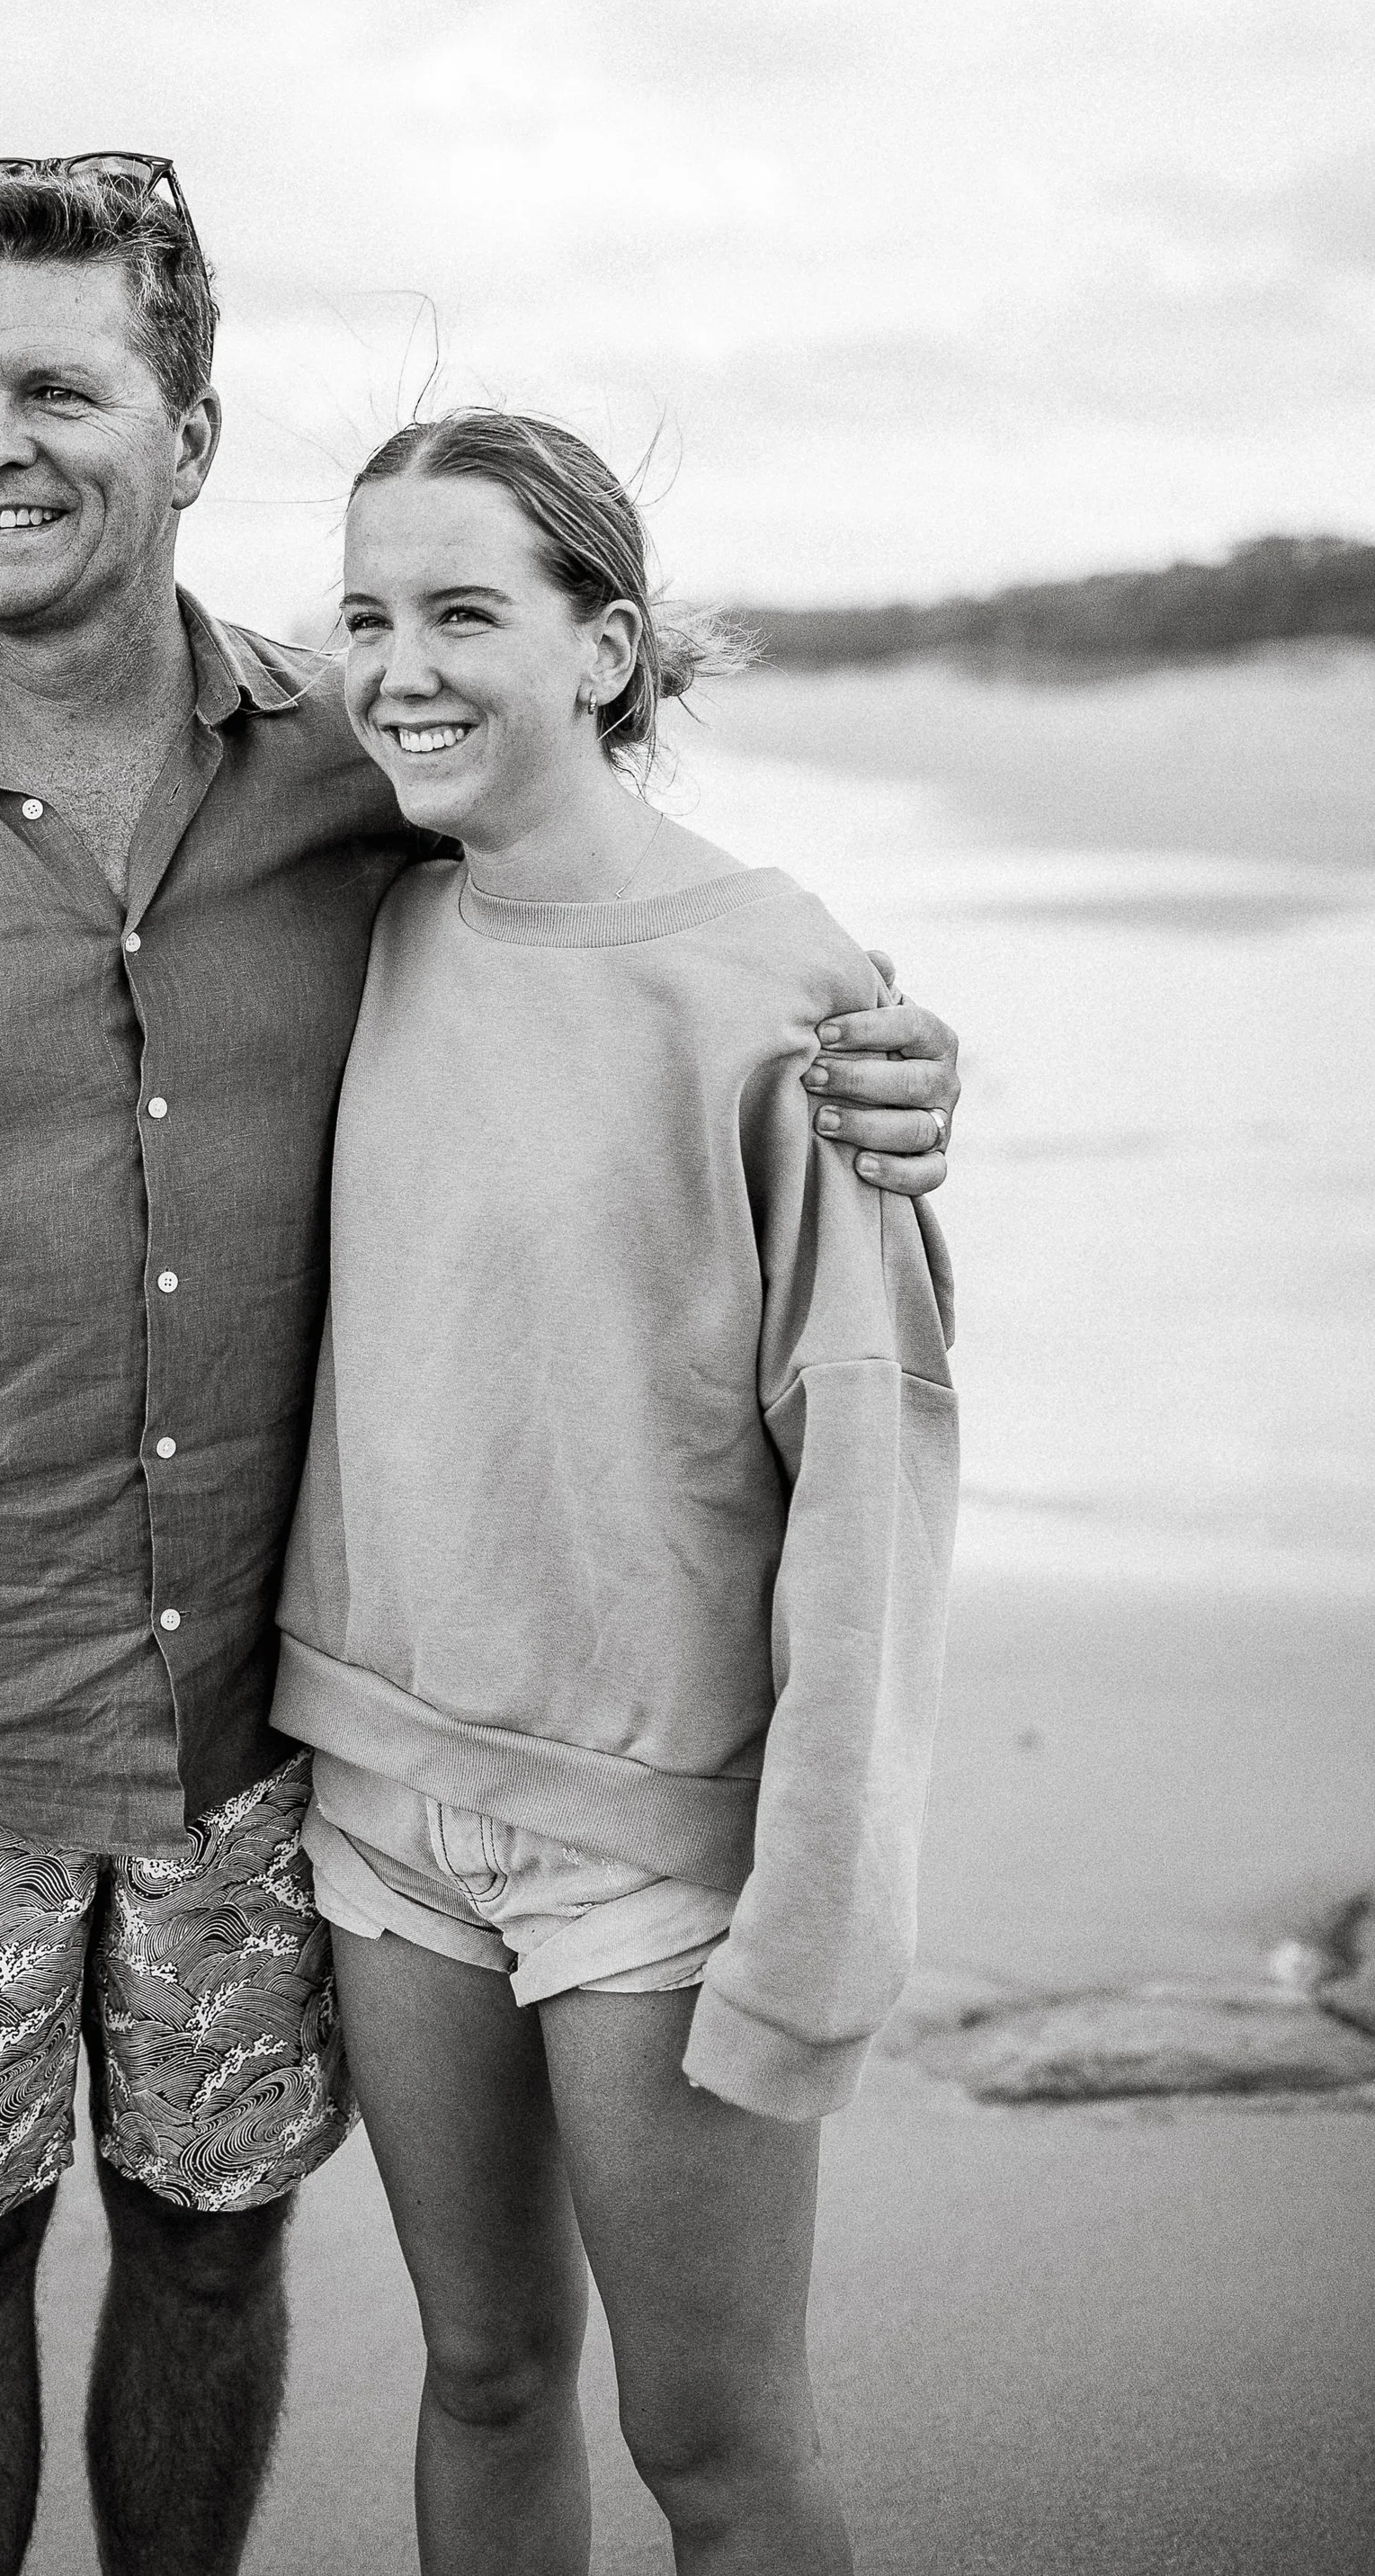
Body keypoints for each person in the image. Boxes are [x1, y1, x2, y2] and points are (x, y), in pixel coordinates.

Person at [0, 158, 964, 2576]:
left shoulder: (343, 772)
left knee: (214, 2231)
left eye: (58, 384)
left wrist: (893, 1056)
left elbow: (620, 936)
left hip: (259, 1736)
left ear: (182, 426)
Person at [271, 407, 960, 2576]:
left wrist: (813, 1927)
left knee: (716, 2449)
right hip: (377, 1814)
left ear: (607, 650)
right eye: (366, 616)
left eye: (466, 610)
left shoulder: (779, 992)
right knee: (478, 2378)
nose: (401, 666)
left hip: (654, 1856)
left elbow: (869, 1479)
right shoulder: (366, 929)